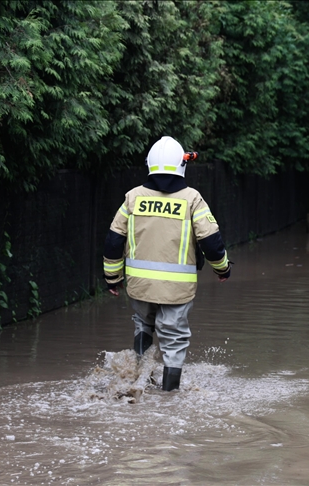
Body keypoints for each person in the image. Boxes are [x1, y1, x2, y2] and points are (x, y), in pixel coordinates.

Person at [103, 136, 231, 391]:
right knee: (173, 339)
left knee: (143, 325)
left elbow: (114, 241)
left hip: (141, 286)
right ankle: (170, 396)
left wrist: (113, 278)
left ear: (150, 164)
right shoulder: (192, 199)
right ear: (181, 165)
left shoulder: (133, 197)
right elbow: (211, 242)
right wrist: (223, 269)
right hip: (177, 289)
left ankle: (138, 380)